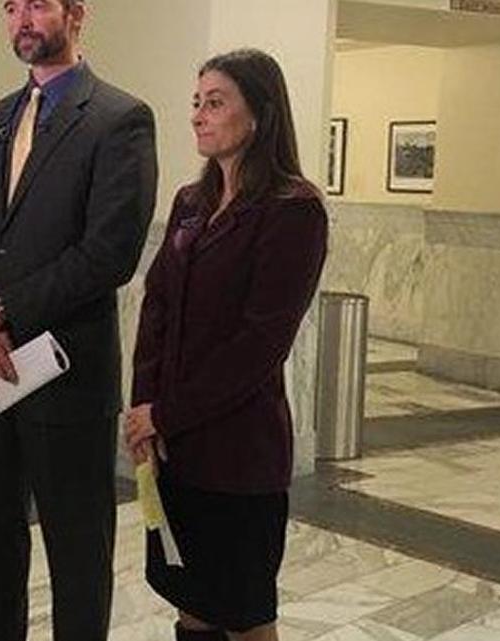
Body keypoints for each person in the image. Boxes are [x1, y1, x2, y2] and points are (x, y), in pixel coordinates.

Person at [0, 0, 158, 639]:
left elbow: (109, 253)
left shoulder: (121, 119)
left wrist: (3, 311)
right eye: (11, 8)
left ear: (76, 14)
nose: (22, 20)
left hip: (66, 376)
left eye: (38, 4)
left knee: (77, 555)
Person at [124, 49, 329, 641]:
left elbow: (259, 343)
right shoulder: (191, 202)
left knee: (243, 613)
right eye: (196, 102)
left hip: (240, 453)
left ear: (259, 114)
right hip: (174, 445)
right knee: (191, 601)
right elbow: (156, 307)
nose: (198, 116)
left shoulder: (293, 209)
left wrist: (166, 412)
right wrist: (145, 415)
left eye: (215, 103)